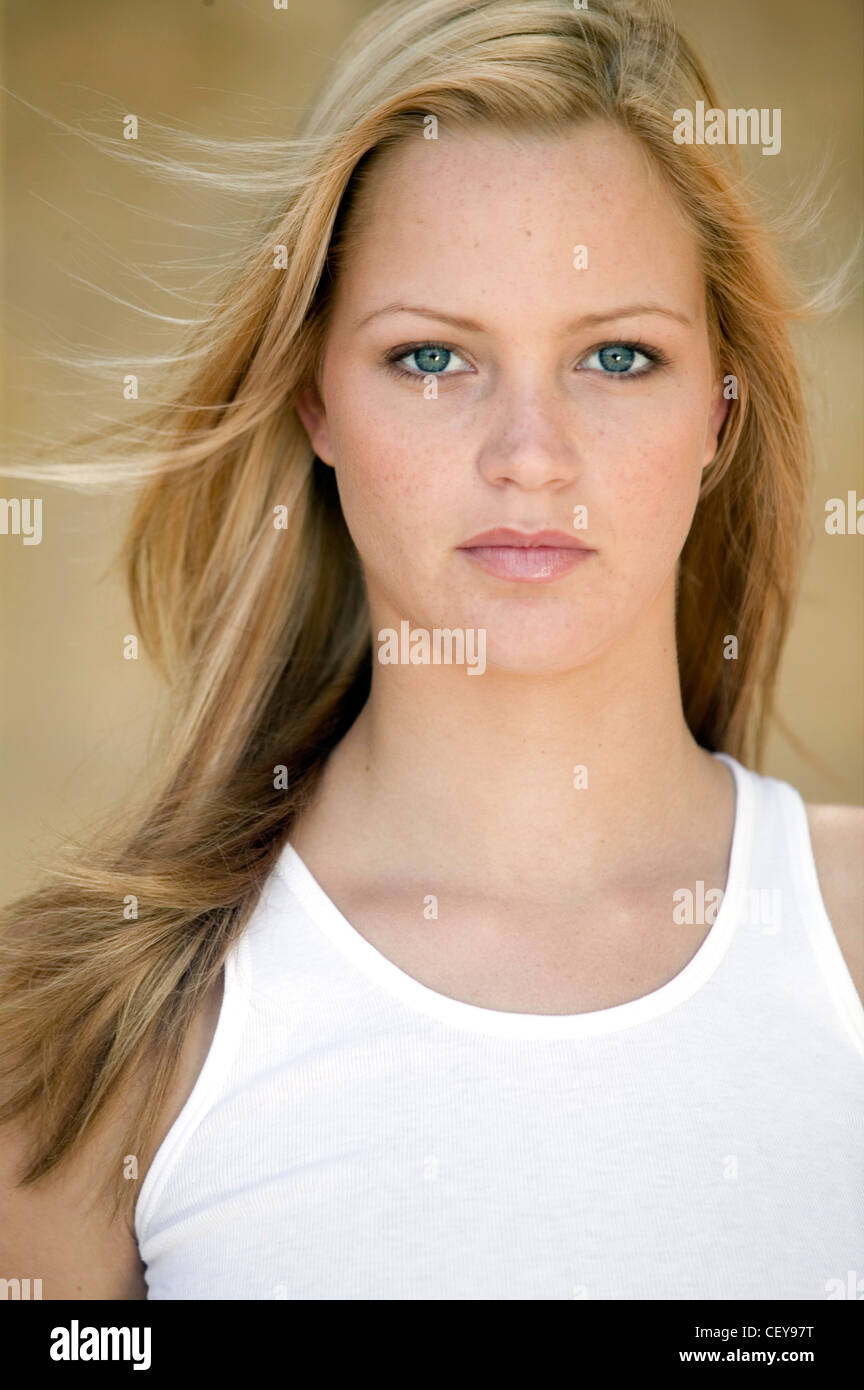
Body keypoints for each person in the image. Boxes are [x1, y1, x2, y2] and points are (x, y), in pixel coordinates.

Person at [1, 0, 862, 1301]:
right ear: (315, 397)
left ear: (720, 415)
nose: (531, 454)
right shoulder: (87, 1042)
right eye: (432, 356)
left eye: (619, 356)